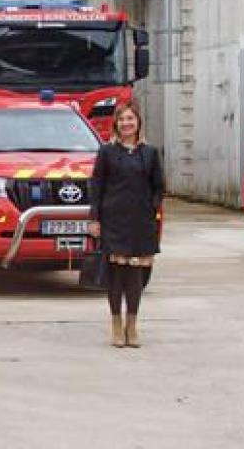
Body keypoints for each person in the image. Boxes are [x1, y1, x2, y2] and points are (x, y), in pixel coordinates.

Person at [89, 98, 163, 349]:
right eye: (121, 119)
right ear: (116, 124)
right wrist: (94, 218)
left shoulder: (150, 153)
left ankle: (132, 324)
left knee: (135, 276)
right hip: (113, 221)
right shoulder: (107, 152)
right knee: (116, 275)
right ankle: (116, 324)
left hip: (141, 222)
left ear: (138, 122)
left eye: (130, 118)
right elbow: (96, 186)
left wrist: (152, 208)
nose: (126, 123)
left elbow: (158, 187)